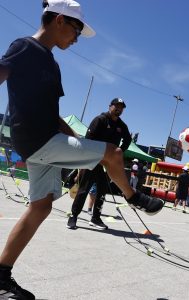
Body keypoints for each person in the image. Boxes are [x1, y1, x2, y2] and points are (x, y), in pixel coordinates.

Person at [0, 1, 163, 298]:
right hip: (37, 139)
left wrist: (73, 138)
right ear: (60, 20)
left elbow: (52, 113)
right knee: (112, 153)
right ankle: (134, 197)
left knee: (42, 206)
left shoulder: (52, 63)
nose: (76, 38)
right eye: (76, 30)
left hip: (48, 137)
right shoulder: (25, 47)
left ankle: (0, 276)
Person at [67, 97, 132, 230]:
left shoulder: (122, 126)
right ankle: (73, 216)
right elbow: (88, 140)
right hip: (93, 161)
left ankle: (96, 218)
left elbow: (128, 139)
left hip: (107, 164)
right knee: (84, 189)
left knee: (102, 191)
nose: (118, 109)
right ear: (110, 106)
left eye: (121, 107)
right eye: (116, 106)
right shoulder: (100, 120)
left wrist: (119, 152)